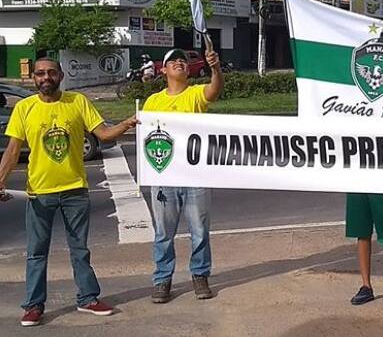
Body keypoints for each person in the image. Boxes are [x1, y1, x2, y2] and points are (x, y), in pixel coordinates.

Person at [0, 58, 138, 327]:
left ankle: (88, 298)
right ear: (34, 78)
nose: (45, 77)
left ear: (61, 75)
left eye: (51, 72)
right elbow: (13, 150)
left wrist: (127, 124)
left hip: (75, 190)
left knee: (79, 249)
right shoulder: (24, 108)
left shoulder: (78, 102)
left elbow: (104, 133)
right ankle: (33, 306)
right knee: (37, 252)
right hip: (39, 194)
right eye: (40, 73)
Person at [144, 48, 223, 304]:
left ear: (188, 70)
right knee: (163, 233)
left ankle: (200, 275)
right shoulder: (153, 101)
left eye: (184, 61)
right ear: (163, 70)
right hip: (164, 177)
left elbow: (214, 90)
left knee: (199, 230)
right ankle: (162, 279)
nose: (180, 63)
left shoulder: (195, 94)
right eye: (173, 61)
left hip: (195, 176)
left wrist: (215, 69)